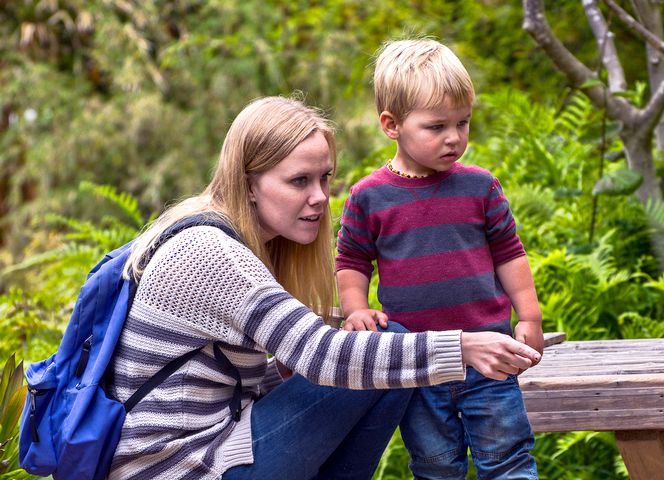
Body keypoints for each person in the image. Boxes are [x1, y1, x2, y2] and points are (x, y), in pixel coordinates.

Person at [107, 96, 540, 480]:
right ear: (249, 184)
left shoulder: (237, 241)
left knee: (379, 355)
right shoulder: (212, 254)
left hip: (214, 450)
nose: (319, 197)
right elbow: (321, 356)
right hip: (182, 468)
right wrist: (461, 347)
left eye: (324, 178)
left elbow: (263, 383)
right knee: (384, 344)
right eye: (299, 181)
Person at [335, 39, 544, 479]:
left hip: (492, 357)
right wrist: (356, 309)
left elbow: (510, 253)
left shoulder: (480, 187)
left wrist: (530, 316)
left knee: (508, 459)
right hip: (419, 364)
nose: (454, 138)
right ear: (392, 125)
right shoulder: (369, 197)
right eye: (436, 127)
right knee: (434, 465)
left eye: (463, 123)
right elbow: (352, 260)